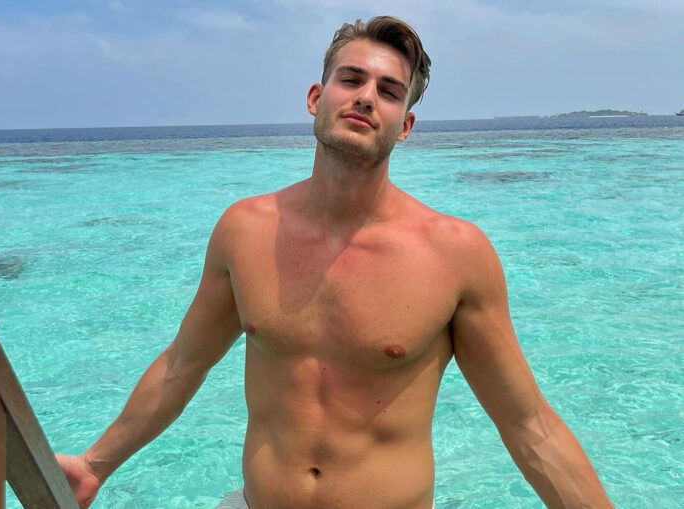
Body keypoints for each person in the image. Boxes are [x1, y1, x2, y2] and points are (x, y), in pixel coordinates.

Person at [56, 16, 614, 509]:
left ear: (406, 125)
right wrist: (94, 466)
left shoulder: (454, 254)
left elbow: (528, 425)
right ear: (315, 97)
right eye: (352, 80)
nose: (366, 97)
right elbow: (183, 365)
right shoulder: (244, 231)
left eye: (389, 91)